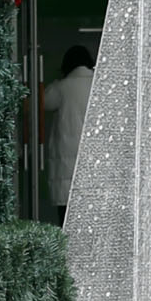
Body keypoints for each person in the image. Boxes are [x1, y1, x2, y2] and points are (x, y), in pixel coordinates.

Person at [42, 39, 97, 221]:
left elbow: (42, 103)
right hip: (94, 165)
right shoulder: (100, 87)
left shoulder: (62, 88)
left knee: (67, 221)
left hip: (66, 168)